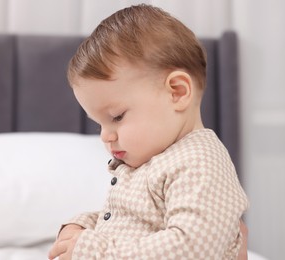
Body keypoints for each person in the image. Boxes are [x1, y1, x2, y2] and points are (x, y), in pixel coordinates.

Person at [49, 4, 249, 260]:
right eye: (99, 124)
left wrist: (95, 252)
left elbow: (191, 248)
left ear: (177, 91)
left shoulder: (199, 162)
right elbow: (133, 223)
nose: (105, 135)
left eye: (117, 117)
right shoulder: (149, 163)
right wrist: (83, 226)